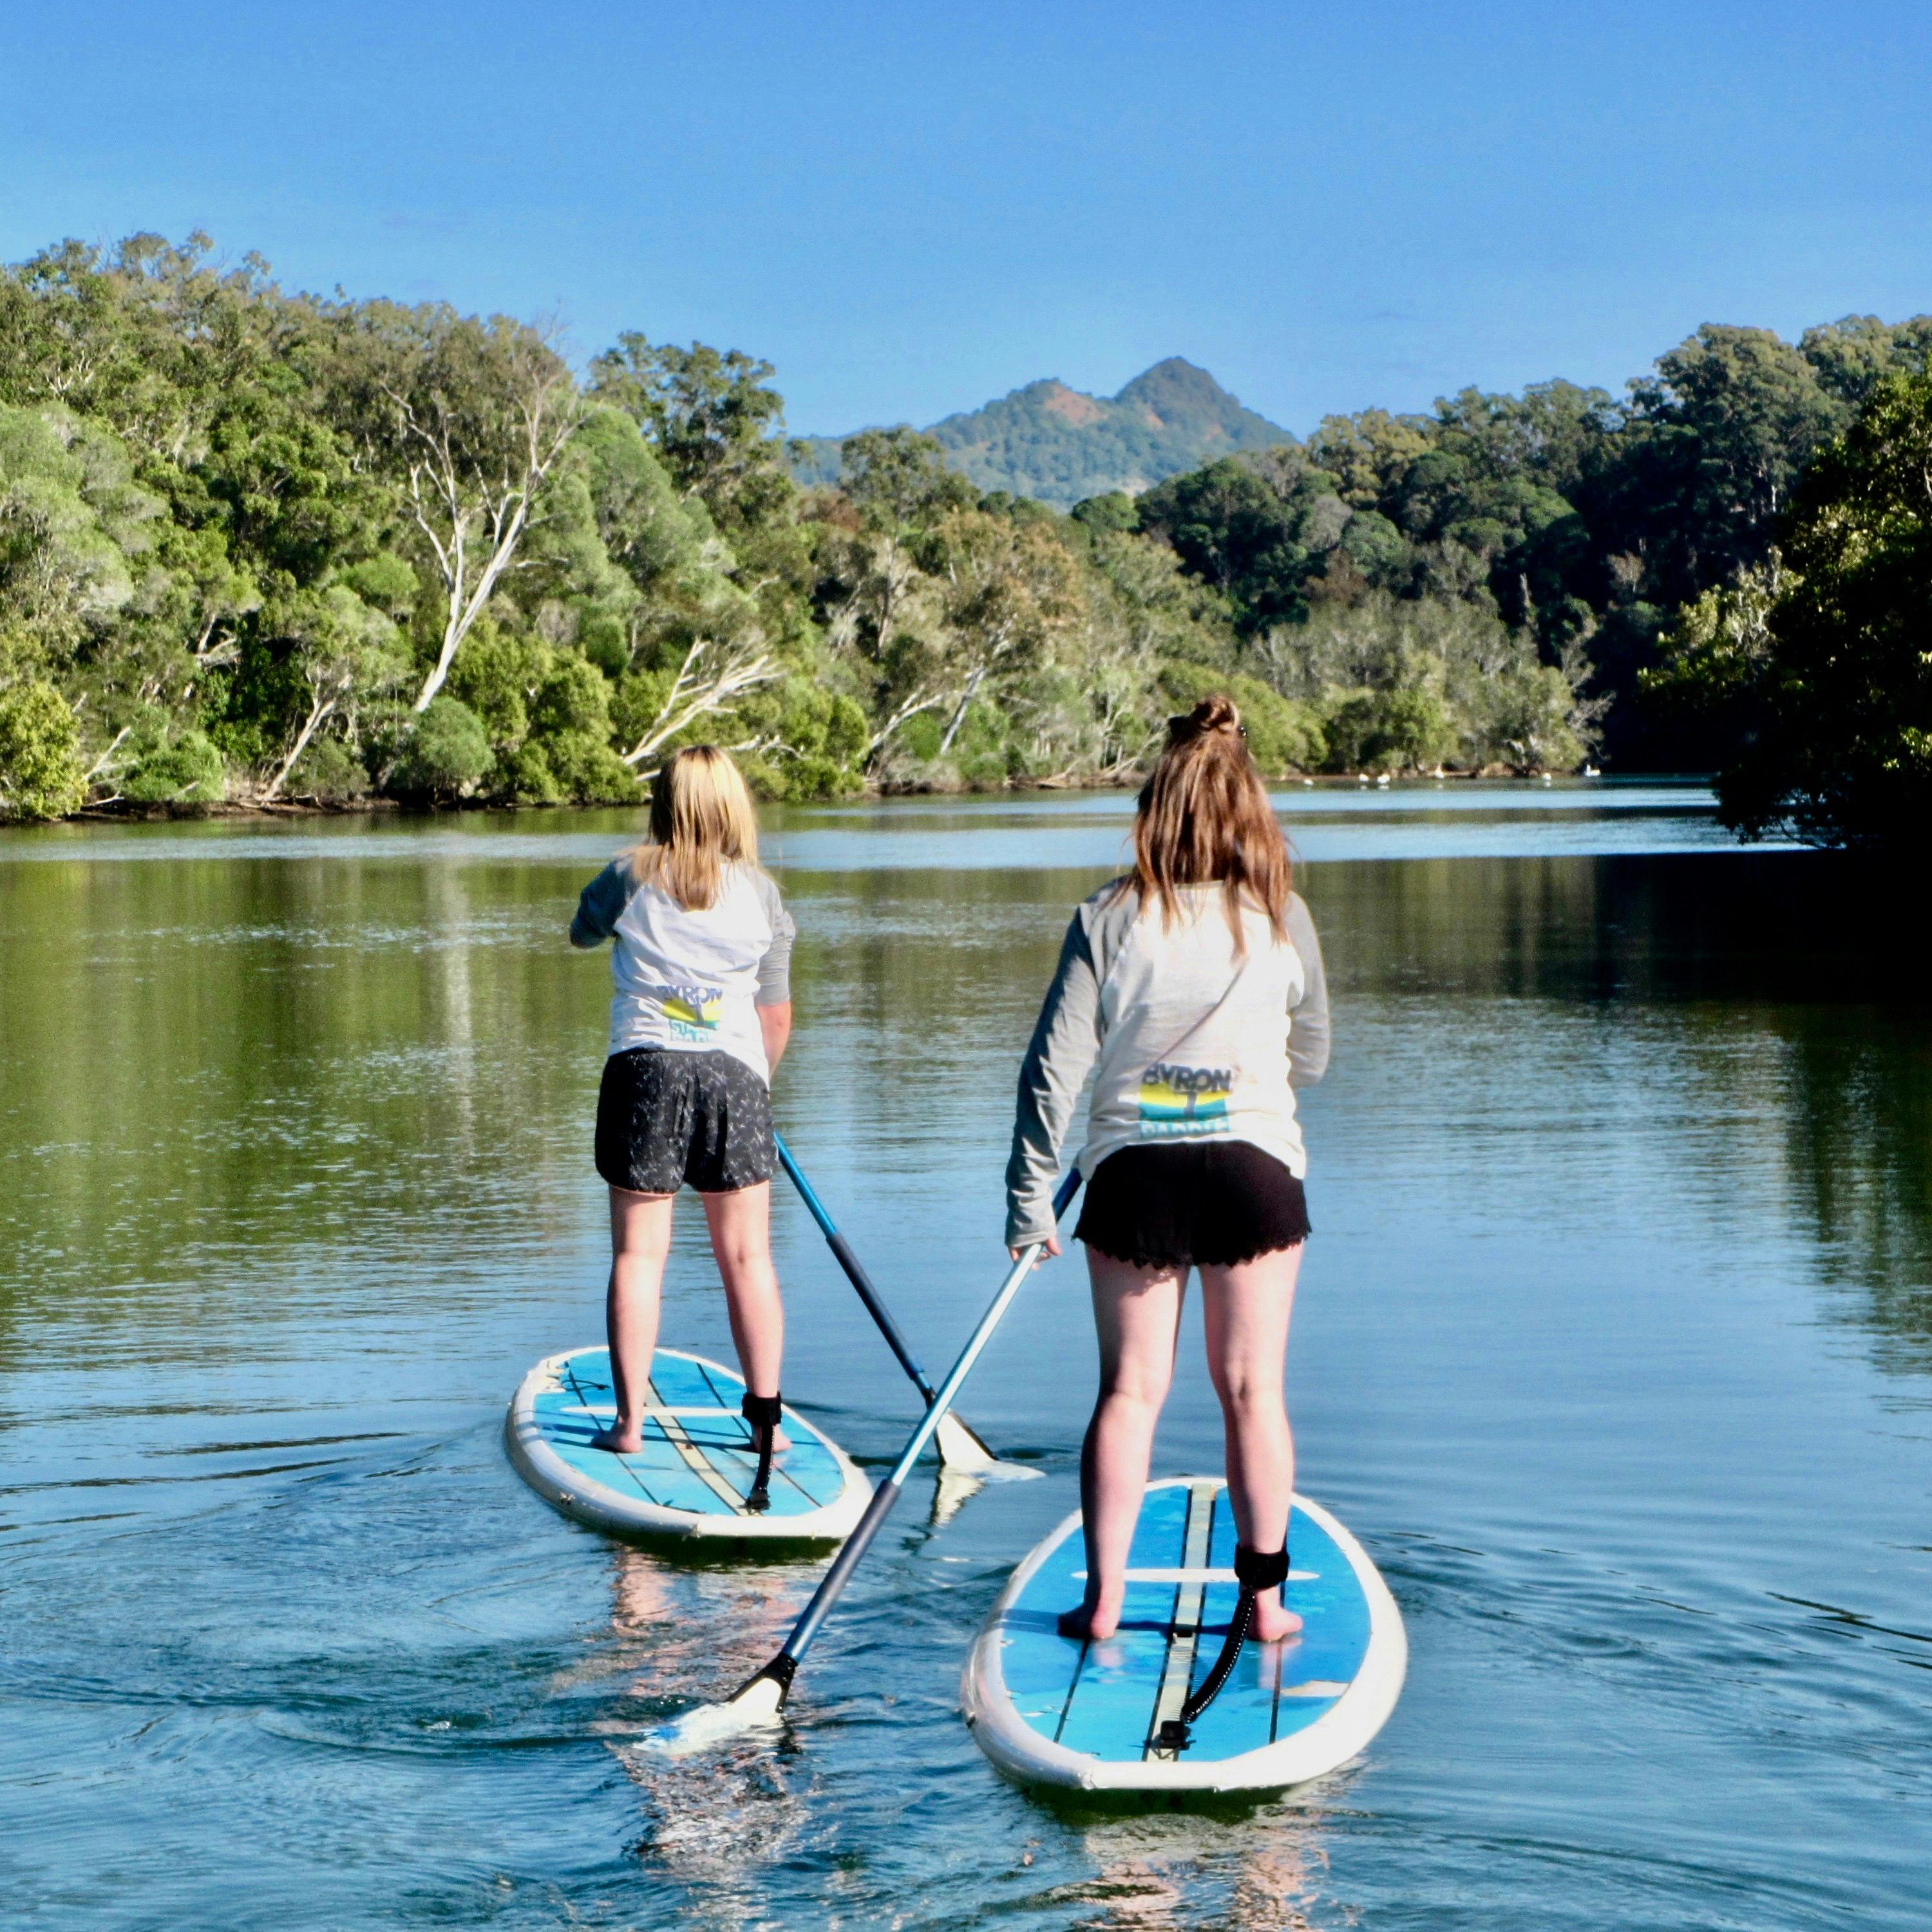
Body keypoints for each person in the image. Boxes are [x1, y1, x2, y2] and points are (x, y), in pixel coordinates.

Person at [1005, 695, 1330, 1643]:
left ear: (1155, 804)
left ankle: (1103, 1603)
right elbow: (1310, 1056)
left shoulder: (1106, 917)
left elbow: (1051, 1077)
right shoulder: (1282, 915)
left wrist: (1031, 1208)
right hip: (1255, 1172)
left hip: (1135, 1177)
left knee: (1129, 1391)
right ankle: (1266, 1609)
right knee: (1253, 1391)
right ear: (1251, 810)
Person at [569, 745, 796, 1474]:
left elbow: (580, 932)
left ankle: (631, 1423)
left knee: (639, 1256)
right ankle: (767, 1425)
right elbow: (777, 1016)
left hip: (645, 1073)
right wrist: (755, 1093)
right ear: (733, 808)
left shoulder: (628, 875)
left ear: (663, 804)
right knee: (747, 1257)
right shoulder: (761, 895)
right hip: (734, 1077)